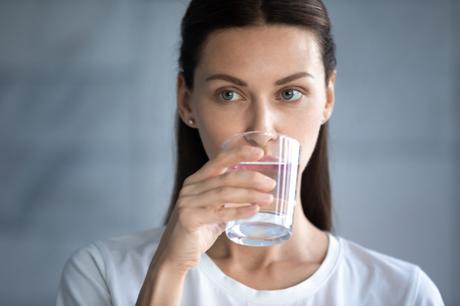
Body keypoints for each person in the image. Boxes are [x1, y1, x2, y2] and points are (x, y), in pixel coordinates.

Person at [56, 0, 445, 305]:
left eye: (290, 93)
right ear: (187, 101)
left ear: (327, 98)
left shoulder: (403, 293)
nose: (263, 130)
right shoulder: (103, 274)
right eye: (229, 94)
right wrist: (169, 269)